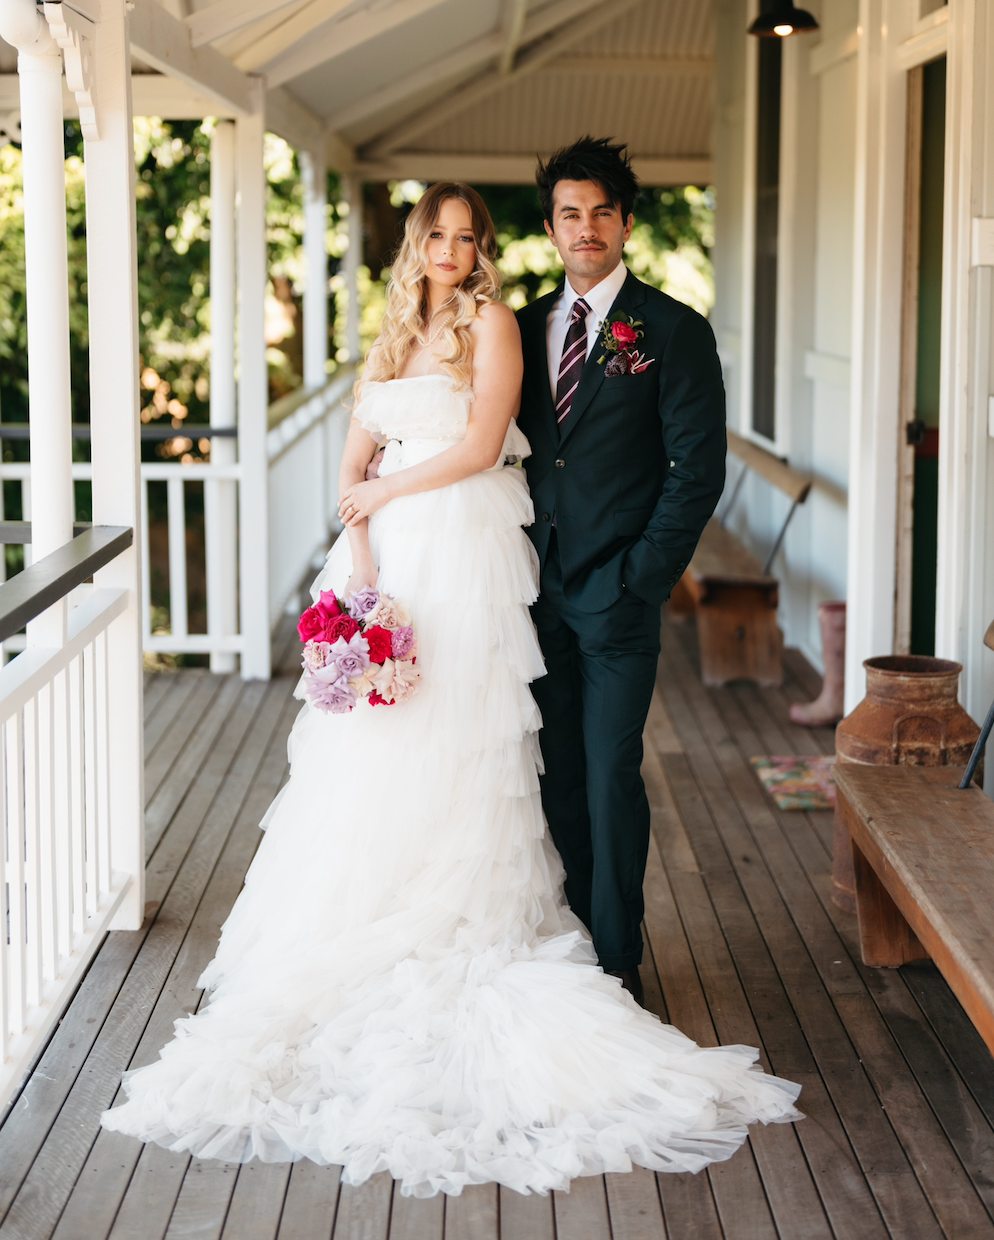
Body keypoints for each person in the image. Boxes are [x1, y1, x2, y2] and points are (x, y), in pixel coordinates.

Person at [101, 182, 799, 1196]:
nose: (454, 251)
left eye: (469, 238)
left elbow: (478, 445)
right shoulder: (393, 328)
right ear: (415, 242)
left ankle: (584, 948)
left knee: (482, 740)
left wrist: (383, 489)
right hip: (386, 558)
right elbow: (355, 446)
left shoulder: (494, 322)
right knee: (375, 745)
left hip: (463, 552)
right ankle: (368, 917)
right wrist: (360, 536)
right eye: (439, 235)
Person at [516, 138, 727, 1007]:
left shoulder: (673, 330)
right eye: (572, 212)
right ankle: (568, 937)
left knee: (609, 771)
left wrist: (643, 575)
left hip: (620, 596)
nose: (587, 227)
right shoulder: (524, 328)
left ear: (627, 223)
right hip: (532, 591)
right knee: (554, 770)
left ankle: (616, 959)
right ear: (553, 227)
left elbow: (697, 470)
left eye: (603, 211)